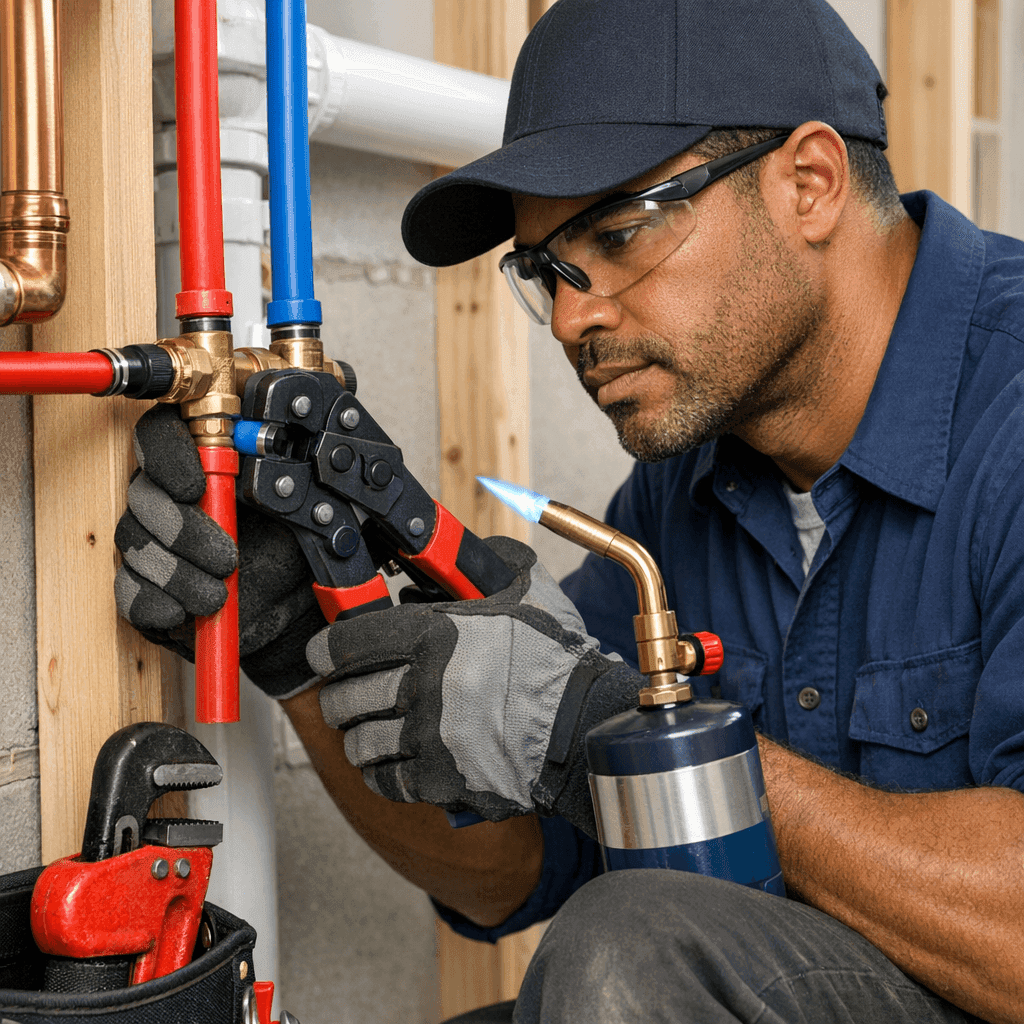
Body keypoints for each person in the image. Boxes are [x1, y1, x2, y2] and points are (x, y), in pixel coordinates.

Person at [115, 0, 1024, 1020]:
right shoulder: (685, 491)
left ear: (807, 183)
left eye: (618, 232)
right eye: (541, 270)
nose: (571, 315)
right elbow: (503, 875)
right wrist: (301, 643)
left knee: (624, 950)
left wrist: (609, 726)